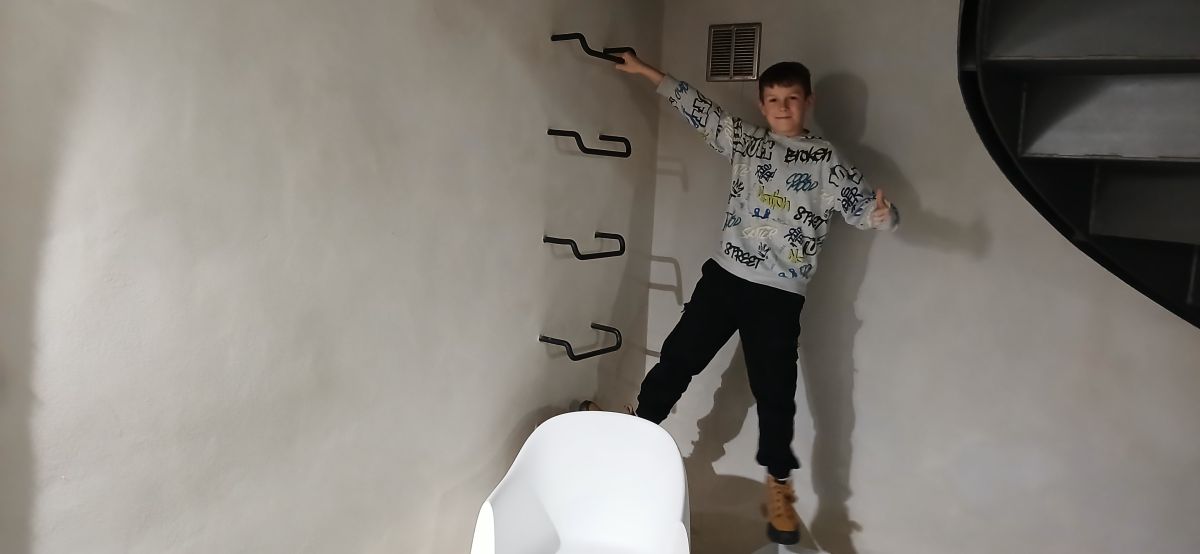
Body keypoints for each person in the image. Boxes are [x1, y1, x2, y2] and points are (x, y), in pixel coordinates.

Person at [586, 53, 899, 546]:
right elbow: (699, 110)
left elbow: (866, 210)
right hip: (725, 280)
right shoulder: (747, 141)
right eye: (773, 99)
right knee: (678, 359)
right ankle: (636, 435)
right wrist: (648, 72)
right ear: (761, 103)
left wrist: (884, 215)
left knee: (775, 396)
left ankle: (781, 490)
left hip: (779, 296)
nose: (782, 107)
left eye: (791, 99)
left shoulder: (825, 161)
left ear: (808, 102)